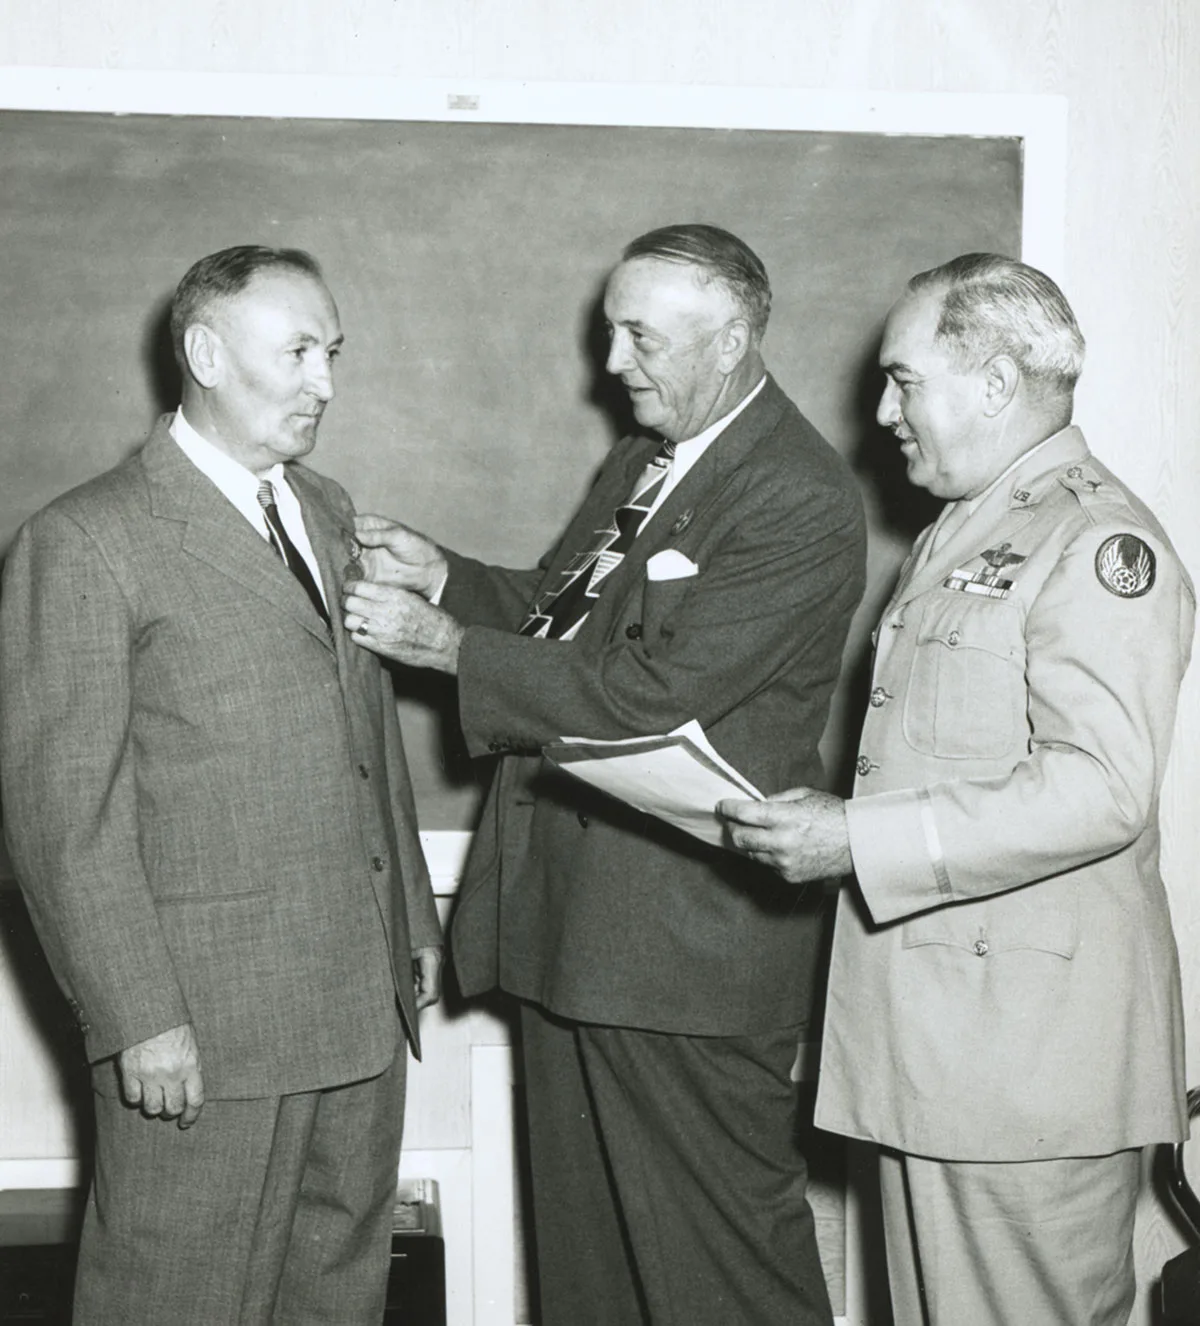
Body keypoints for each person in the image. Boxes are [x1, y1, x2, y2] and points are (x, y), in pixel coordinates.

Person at [339, 223, 866, 1325]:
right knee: (593, 1279)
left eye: (638, 337)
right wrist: (449, 578)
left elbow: (651, 698)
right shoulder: (645, 459)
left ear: (729, 340)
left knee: (723, 1277)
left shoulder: (796, 492)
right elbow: (567, 621)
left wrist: (443, 648)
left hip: (684, 958)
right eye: (611, 332)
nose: (612, 364)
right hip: (574, 931)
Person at [720, 253, 1194, 1326]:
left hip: (1025, 1069)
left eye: (903, 380)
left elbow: (1101, 789)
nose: (883, 411)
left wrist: (857, 841)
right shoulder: (960, 532)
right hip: (939, 1055)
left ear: (991, 381)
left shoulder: (1097, 542)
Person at [0, 245, 443, 1325]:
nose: (324, 382)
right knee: (173, 1298)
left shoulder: (327, 509)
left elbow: (366, 733)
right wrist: (137, 1014)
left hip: (356, 1010)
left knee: (336, 1298)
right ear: (205, 352)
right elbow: (65, 814)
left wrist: (410, 926)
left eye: (330, 354)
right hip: (203, 1030)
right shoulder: (85, 540)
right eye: (296, 351)